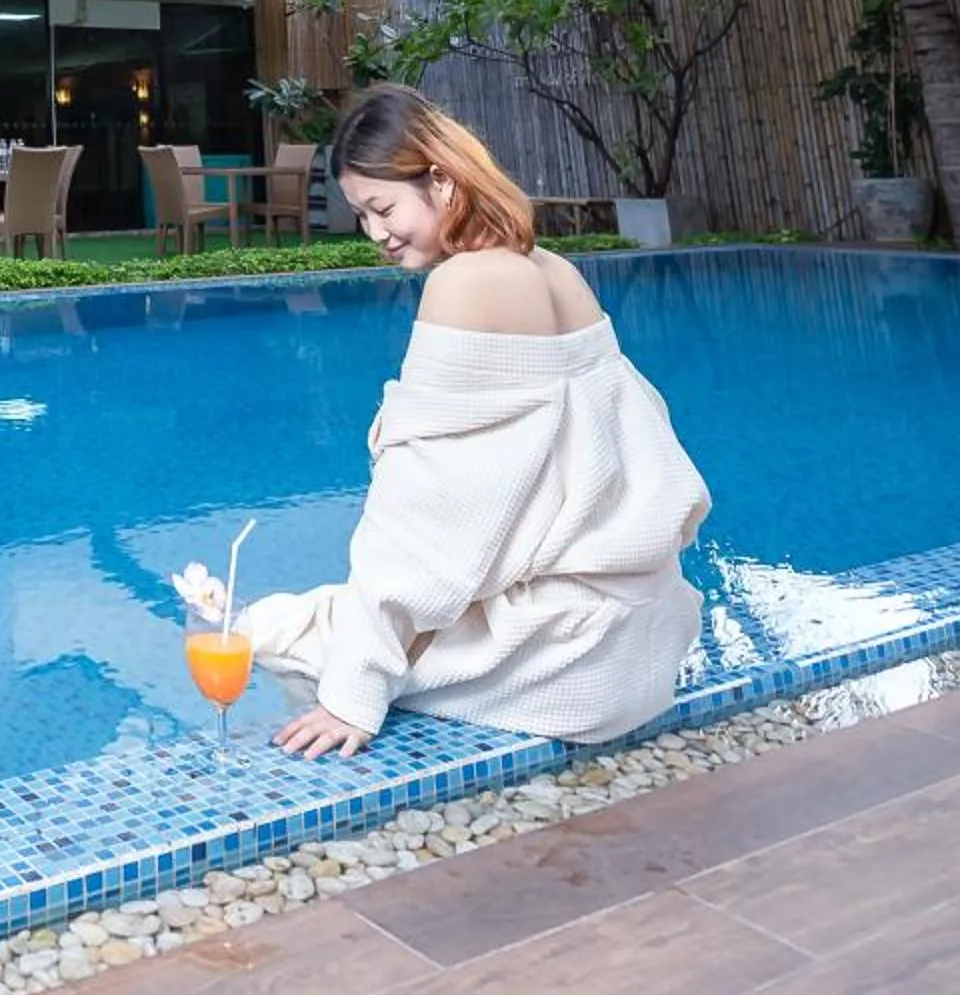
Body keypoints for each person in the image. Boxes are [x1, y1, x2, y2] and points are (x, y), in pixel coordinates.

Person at [177, 85, 709, 762]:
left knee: (283, 636)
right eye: (362, 214)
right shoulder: (552, 269)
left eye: (382, 207)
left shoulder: (464, 285)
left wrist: (353, 694)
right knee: (322, 618)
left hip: (566, 667)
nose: (375, 233)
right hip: (639, 639)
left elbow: (423, 518)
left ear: (441, 179)